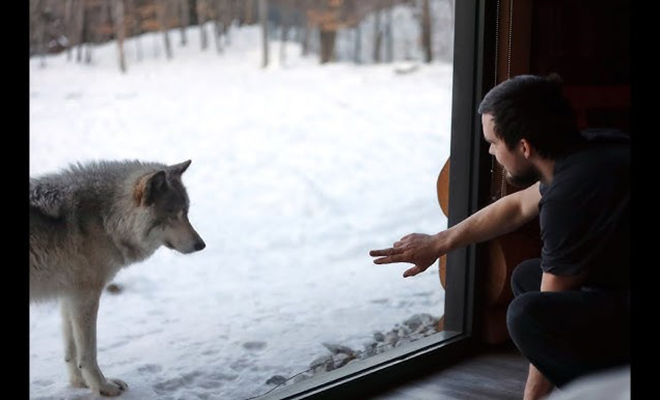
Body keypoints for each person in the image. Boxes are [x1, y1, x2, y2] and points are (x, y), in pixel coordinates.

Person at [369, 74, 630, 400]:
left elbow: (548, 305)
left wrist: (530, 397)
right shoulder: (588, 150)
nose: (490, 151)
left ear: (524, 146)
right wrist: (438, 243)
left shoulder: (571, 194)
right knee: (526, 277)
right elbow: (517, 206)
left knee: (527, 316)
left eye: (493, 142)